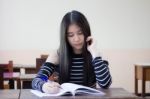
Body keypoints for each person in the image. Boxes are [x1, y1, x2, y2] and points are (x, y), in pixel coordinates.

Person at [32, 10, 112, 94]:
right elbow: (36, 80)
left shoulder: (96, 55)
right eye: (71, 35)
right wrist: (44, 86)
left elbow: (105, 84)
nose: (76, 39)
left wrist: (95, 54)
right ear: (65, 37)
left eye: (80, 33)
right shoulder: (58, 55)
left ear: (86, 32)